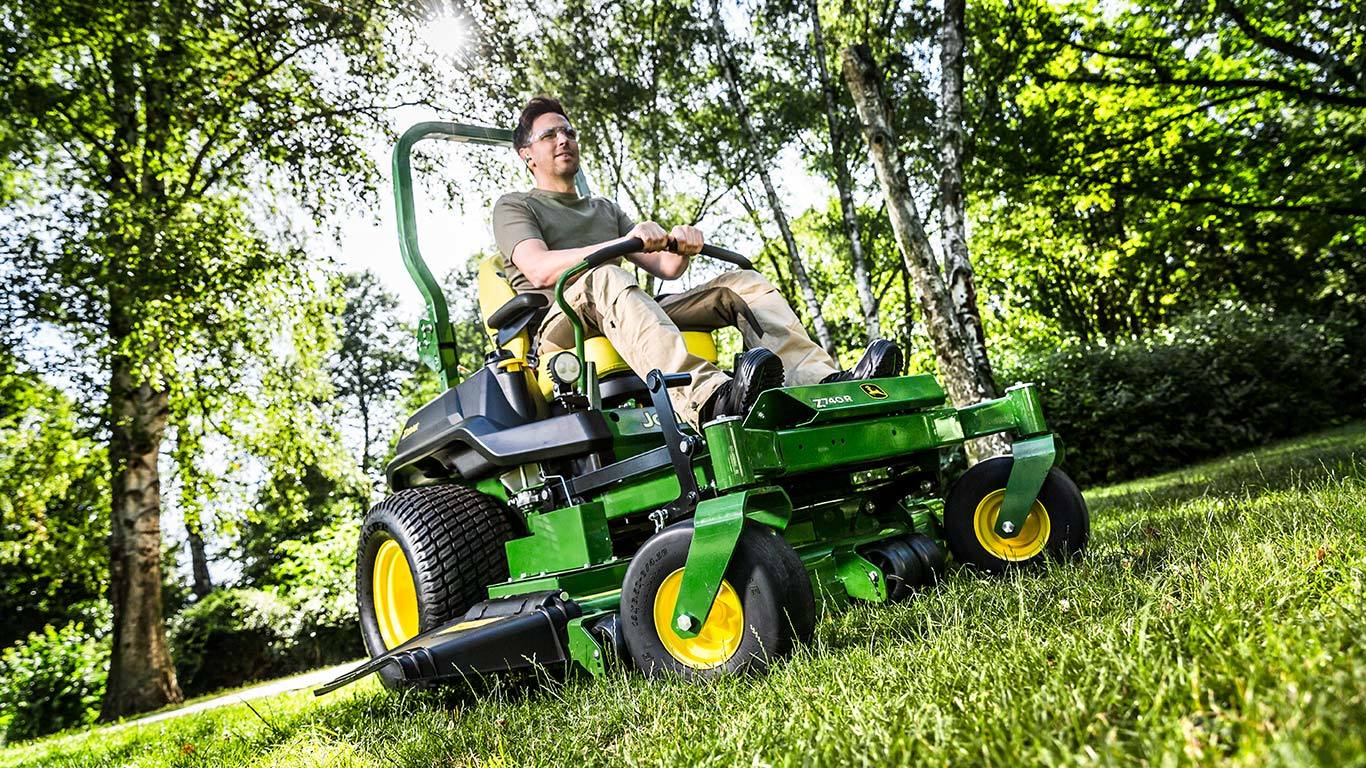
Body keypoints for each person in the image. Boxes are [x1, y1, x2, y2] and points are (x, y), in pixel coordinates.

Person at [492, 96, 902, 430]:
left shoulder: (604, 209)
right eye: (550, 135)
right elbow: (540, 268)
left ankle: (822, 383)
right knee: (606, 275)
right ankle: (709, 399)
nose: (563, 139)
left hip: (621, 306)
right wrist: (622, 242)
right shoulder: (515, 206)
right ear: (528, 155)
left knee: (741, 282)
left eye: (569, 132)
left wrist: (681, 245)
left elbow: (667, 269)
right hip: (561, 323)